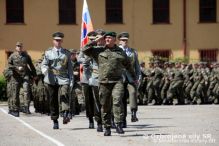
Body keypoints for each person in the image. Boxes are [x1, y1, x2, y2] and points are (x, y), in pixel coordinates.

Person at [83, 31, 135, 136]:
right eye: (105, 38)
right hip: (104, 81)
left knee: (117, 101)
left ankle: (119, 124)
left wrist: (133, 77)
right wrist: (96, 41)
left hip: (117, 81)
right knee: (105, 105)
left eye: (109, 38)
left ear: (114, 40)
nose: (107, 39)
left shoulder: (120, 51)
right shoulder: (98, 50)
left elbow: (128, 64)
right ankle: (106, 127)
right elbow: (85, 49)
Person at [41, 32, 73, 129]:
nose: (58, 42)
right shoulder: (48, 52)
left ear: (62, 41)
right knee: (53, 99)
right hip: (51, 78)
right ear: (53, 41)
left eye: (59, 40)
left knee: (64, 94)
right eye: (56, 40)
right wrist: (45, 70)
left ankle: (65, 113)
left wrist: (71, 80)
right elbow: (44, 64)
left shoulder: (67, 53)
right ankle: (55, 120)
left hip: (63, 78)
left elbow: (70, 68)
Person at [7, 42, 37, 117]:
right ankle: (15, 109)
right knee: (15, 93)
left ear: (22, 47)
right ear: (16, 47)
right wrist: (16, 68)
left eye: (20, 46)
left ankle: (26, 107)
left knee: (26, 90)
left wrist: (34, 75)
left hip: (25, 76)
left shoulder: (26, 56)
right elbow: (9, 65)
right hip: (16, 77)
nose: (19, 47)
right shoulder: (12, 56)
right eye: (18, 46)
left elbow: (31, 65)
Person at [118, 32, 141, 127]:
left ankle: (133, 113)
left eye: (126, 40)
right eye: (123, 40)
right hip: (119, 78)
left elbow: (137, 66)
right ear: (119, 41)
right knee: (121, 99)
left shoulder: (133, 52)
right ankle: (123, 119)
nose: (125, 42)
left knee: (132, 93)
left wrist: (139, 77)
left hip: (131, 78)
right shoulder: (116, 51)